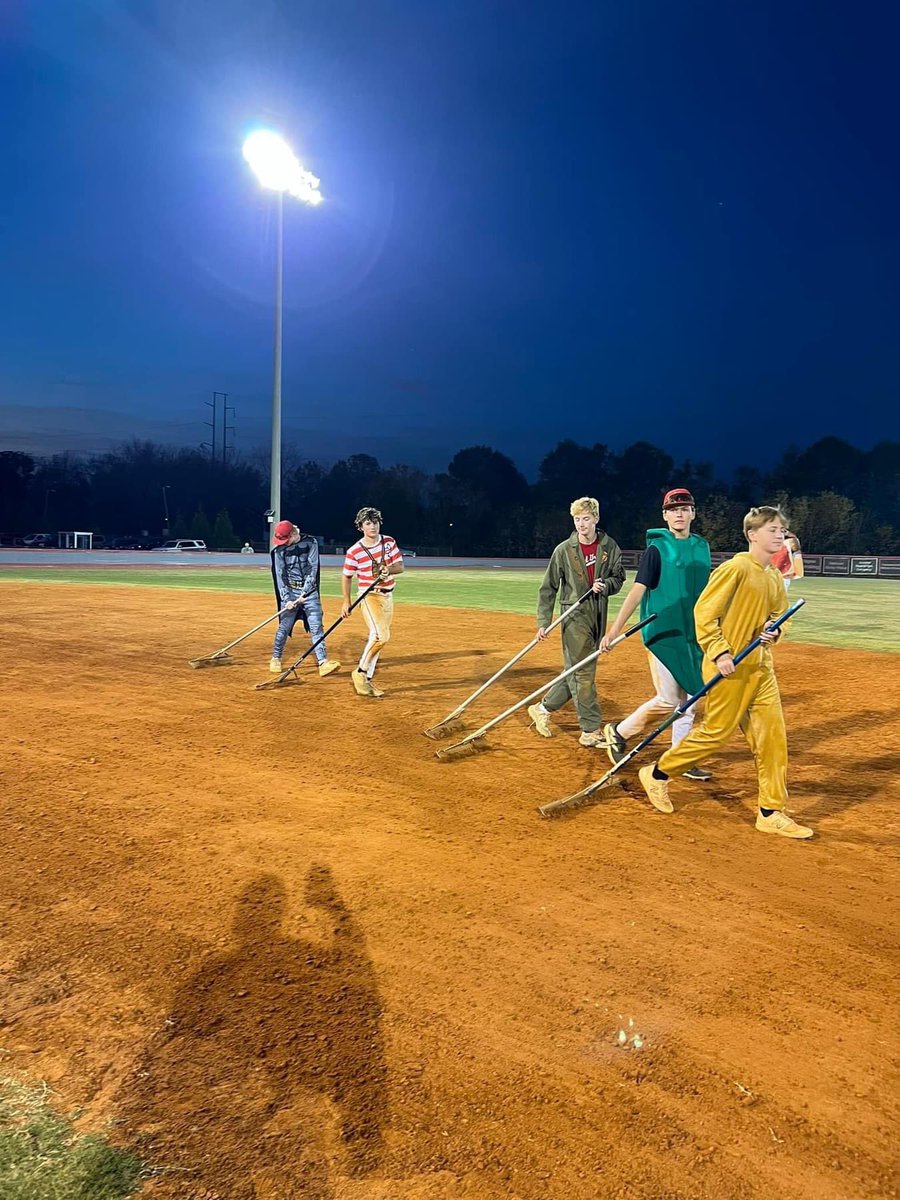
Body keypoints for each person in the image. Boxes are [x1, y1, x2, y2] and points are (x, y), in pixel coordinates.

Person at [636, 505, 813, 839]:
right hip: (728, 668)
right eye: (773, 530)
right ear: (752, 535)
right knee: (715, 734)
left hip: (761, 669)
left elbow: (777, 616)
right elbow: (704, 613)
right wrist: (718, 652)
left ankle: (770, 812)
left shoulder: (773, 575)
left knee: (773, 740)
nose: (780, 536)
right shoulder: (735, 569)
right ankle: (657, 774)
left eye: (782, 530)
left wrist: (774, 631)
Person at [600, 488, 713, 781]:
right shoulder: (657, 549)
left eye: (685, 509)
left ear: (693, 513)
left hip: (693, 635)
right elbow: (638, 590)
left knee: (690, 701)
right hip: (663, 633)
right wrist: (614, 630)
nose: (679, 513)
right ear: (665, 515)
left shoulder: (702, 547)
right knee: (667, 699)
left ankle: (679, 759)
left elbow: (710, 591)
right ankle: (619, 732)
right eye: (673, 509)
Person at [528, 497, 625, 747]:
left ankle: (543, 708)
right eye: (577, 519)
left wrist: (606, 586)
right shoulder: (563, 550)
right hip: (573, 615)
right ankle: (590, 729)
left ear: (596, 519)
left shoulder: (609, 546)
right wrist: (543, 621)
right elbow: (548, 588)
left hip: (598, 614)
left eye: (586, 519)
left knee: (576, 670)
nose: (581, 524)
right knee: (584, 673)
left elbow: (618, 578)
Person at [341, 508, 404, 698]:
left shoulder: (389, 542)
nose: (373, 526)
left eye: (375, 522)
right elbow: (346, 576)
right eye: (368, 523)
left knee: (375, 637)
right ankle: (360, 672)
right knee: (381, 636)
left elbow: (400, 566)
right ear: (361, 527)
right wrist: (346, 601)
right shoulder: (355, 551)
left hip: (388, 595)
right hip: (369, 595)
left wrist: (388, 570)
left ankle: (366, 677)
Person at [270, 520, 340, 677]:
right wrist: (286, 599)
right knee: (284, 627)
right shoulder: (278, 552)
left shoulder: (311, 542)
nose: (283, 543)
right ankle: (276, 658)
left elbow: (313, 568)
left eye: (285, 539)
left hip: (309, 592)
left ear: (294, 534)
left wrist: (305, 592)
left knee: (316, 627)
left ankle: (323, 662)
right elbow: (280, 576)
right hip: (289, 591)